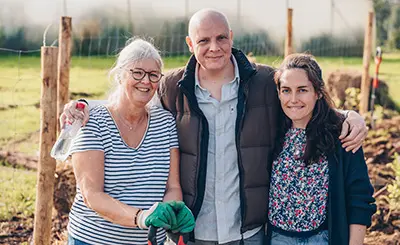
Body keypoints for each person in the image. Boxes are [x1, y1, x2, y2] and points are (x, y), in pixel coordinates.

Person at [62, 9, 368, 245]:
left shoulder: (262, 82)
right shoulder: (172, 88)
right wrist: (85, 107)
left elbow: (300, 96)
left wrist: (347, 114)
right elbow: (130, 99)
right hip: (196, 230)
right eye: (203, 40)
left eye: (221, 38)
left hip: (249, 231)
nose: (214, 47)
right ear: (190, 43)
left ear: (231, 37)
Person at [64, 38, 195, 245]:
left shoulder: (165, 122)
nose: (146, 81)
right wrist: (141, 217)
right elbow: (92, 195)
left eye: (153, 75)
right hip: (94, 240)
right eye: (137, 72)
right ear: (120, 75)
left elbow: (172, 187)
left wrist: (171, 213)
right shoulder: (93, 121)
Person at [266, 53, 376, 245]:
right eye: (286, 90)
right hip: (277, 238)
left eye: (302, 90)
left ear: (317, 92)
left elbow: (359, 197)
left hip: (323, 238)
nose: (293, 99)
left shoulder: (342, 134)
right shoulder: (269, 130)